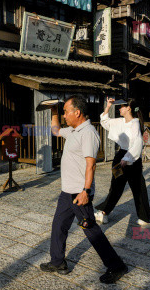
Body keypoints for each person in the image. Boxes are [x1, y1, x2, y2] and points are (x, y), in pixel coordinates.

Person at [40, 95, 128, 284]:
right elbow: (55, 131)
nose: (64, 115)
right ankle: (57, 262)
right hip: (67, 192)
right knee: (58, 226)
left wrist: (86, 192)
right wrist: (54, 112)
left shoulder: (88, 133)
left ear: (77, 112)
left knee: (90, 230)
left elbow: (91, 165)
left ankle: (116, 265)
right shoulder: (73, 131)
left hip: (79, 193)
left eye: (65, 111)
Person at [94, 98, 150, 226]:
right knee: (116, 187)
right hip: (121, 155)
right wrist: (108, 107)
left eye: (121, 106)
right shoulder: (120, 121)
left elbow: (138, 143)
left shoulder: (135, 123)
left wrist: (127, 159)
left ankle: (144, 216)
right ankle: (103, 212)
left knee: (138, 187)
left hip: (132, 157)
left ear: (128, 108)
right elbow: (105, 122)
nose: (119, 108)